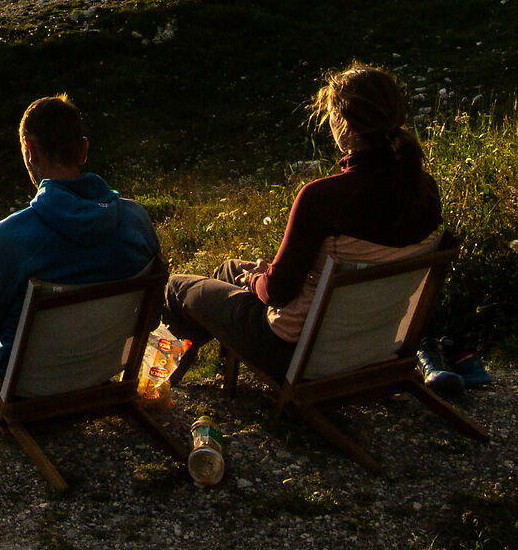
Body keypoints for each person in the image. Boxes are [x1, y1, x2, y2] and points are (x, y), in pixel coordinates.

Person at [159, 62, 442, 382]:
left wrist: (256, 280)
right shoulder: (423, 189)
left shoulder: (322, 198)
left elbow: (277, 292)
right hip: (371, 345)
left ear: (344, 124)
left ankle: (165, 383)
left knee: (176, 287)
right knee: (227, 269)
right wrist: (260, 278)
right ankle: (209, 373)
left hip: (293, 354)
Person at [0, 94, 160, 384]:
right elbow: (154, 317)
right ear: (83, 150)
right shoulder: (137, 219)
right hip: (104, 368)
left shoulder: (8, 236)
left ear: (30, 151)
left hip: (24, 383)